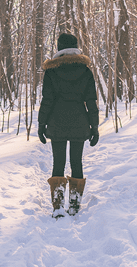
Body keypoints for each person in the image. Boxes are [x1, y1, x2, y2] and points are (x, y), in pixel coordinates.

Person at [37, 32, 99, 217]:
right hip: (80, 122)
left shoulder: (51, 71)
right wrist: (94, 127)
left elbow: (47, 100)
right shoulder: (85, 71)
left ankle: (57, 207)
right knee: (76, 162)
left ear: (59, 48)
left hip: (56, 123)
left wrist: (41, 124)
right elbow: (91, 101)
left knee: (58, 163)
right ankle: (74, 205)